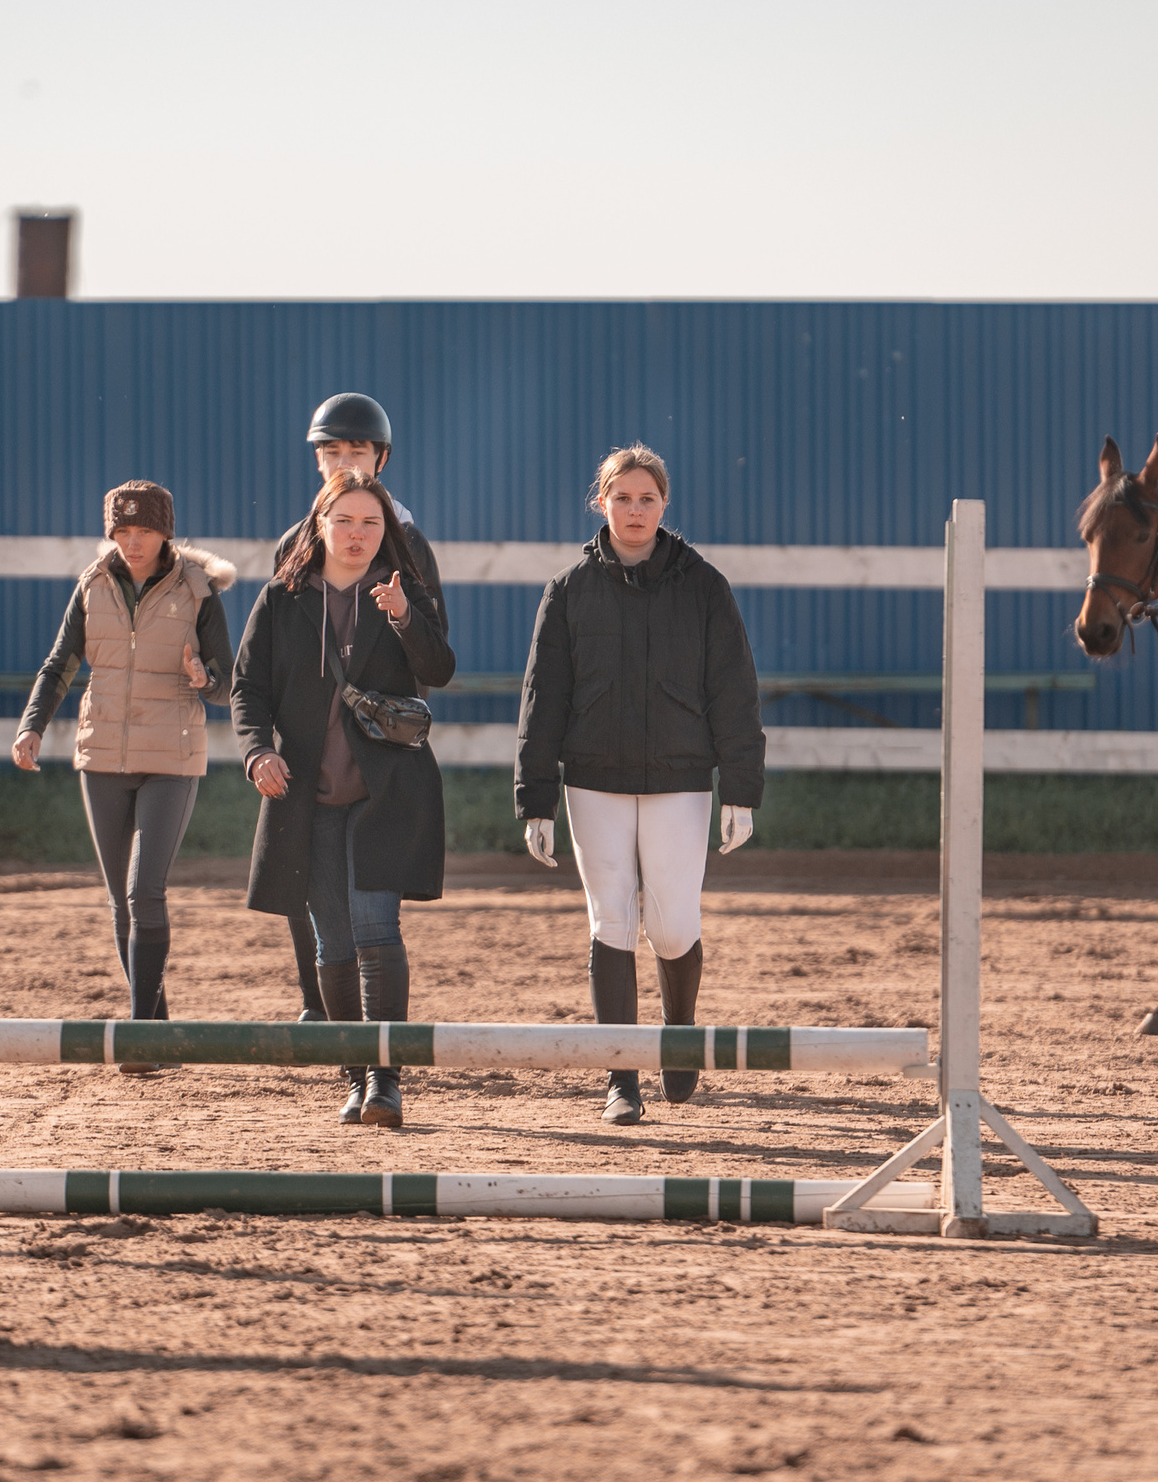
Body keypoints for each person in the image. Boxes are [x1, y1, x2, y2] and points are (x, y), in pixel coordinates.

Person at [515, 446, 764, 1125]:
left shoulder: (705, 586)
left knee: (674, 925)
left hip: (680, 780)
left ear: (664, 504)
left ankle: (678, 1035)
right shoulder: (568, 590)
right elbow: (543, 699)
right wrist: (535, 796)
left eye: (646, 499)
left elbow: (734, 690)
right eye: (621, 498)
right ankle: (620, 1077)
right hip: (593, 780)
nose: (634, 510)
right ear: (601, 503)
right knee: (613, 923)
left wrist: (741, 788)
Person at [234, 470, 454, 1127]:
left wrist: (405, 617)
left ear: (386, 530)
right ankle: (354, 1076)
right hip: (306, 795)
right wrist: (257, 752)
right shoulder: (281, 598)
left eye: (371, 523)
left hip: (387, 791)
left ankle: (386, 1079)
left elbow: (439, 669)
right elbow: (248, 689)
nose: (357, 534)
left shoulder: (402, 591)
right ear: (320, 524)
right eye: (345, 521)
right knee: (333, 942)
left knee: (376, 928)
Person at [15, 482, 236, 1065]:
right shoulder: (91, 585)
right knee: (121, 900)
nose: (133, 543)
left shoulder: (199, 591)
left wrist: (204, 679)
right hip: (102, 756)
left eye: (145, 532)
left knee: (145, 890)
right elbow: (60, 663)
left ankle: (139, 1037)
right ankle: (157, 1027)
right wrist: (33, 726)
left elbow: (228, 683)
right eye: (123, 532)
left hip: (171, 759)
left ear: (166, 534)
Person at [270, 392, 449, 1029]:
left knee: (372, 912)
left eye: (358, 450)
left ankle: (378, 1052)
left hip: (378, 747)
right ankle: (317, 1004)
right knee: (309, 885)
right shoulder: (296, 542)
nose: (345, 460)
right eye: (333, 450)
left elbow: (433, 652)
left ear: (381, 459)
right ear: (318, 459)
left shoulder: (408, 542)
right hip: (310, 746)